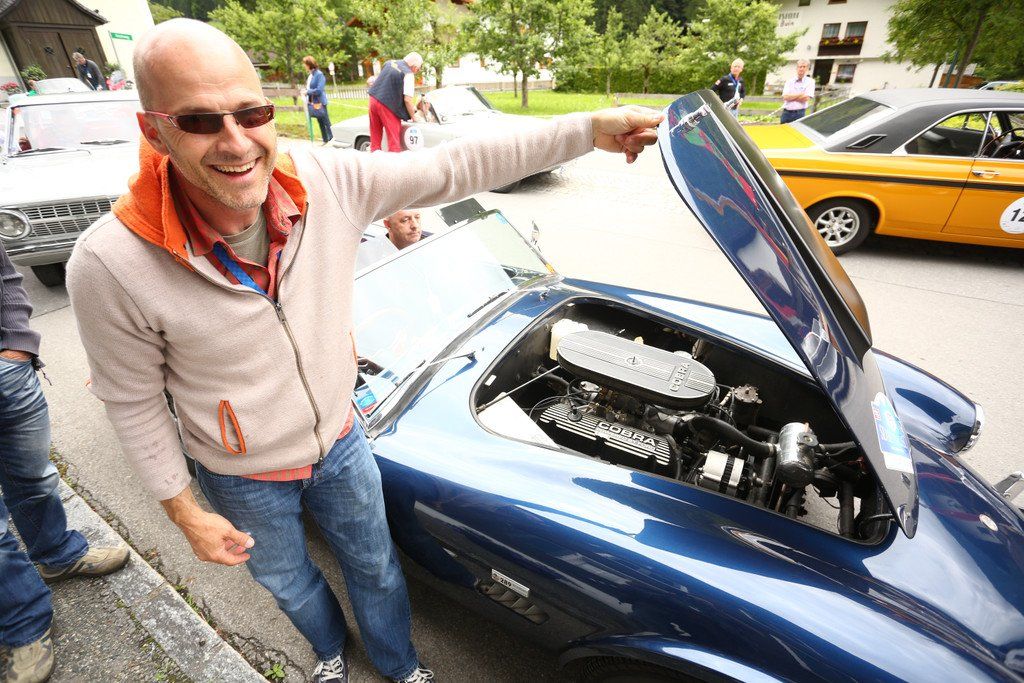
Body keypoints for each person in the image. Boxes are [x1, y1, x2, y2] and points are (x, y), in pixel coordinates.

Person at [65, 18, 659, 683]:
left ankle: (398, 666)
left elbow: (452, 165)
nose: (235, 142)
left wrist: (587, 129)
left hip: (343, 441)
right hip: (240, 474)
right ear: (154, 130)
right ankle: (329, 653)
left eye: (252, 113)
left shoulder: (326, 179)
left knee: (376, 567)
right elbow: (133, 400)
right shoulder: (109, 264)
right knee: (289, 583)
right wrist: (185, 512)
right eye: (200, 121)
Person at [1, 243, 129, 683]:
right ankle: (23, 624)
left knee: (35, 480)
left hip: (8, 374)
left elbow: (4, 274)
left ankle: (57, 554)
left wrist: (16, 345)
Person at [367, 53, 424, 152]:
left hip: (373, 99)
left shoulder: (389, 63)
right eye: (418, 69)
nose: (417, 71)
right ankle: (394, 159)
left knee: (375, 136)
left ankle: (374, 156)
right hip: (388, 106)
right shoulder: (408, 74)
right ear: (414, 67)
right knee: (394, 140)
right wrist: (413, 117)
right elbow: (407, 100)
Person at [356, 209, 422, 270]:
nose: (415, 225)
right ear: (388, 224)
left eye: (417, 217)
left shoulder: (427, 242)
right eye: (405, 220)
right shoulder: (368, 256)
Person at [302, 56, 332, 144]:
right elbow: (310, 87)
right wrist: (306, 91)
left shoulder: (319, 74)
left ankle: (332, 138)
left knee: (326, 121)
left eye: (305, 64)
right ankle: (325, 140)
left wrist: (307, 92)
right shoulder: (311, 75)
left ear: (309, 64)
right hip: (314, 102)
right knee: (320, 121)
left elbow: (319, 90)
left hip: (320, 102)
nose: (304, 66)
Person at [780, 59, 814, 124]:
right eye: (800, 67)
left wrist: (791, 97)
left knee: (796, 130)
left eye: (804, 67)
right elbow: (785, 97)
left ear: (807, 69)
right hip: (786, 113)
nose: (801, 69)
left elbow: (805, 98)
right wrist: (800, 94)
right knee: (783, 130)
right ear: (797, 68)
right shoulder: (789, 81)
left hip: (799, 113)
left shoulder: (810, 82)